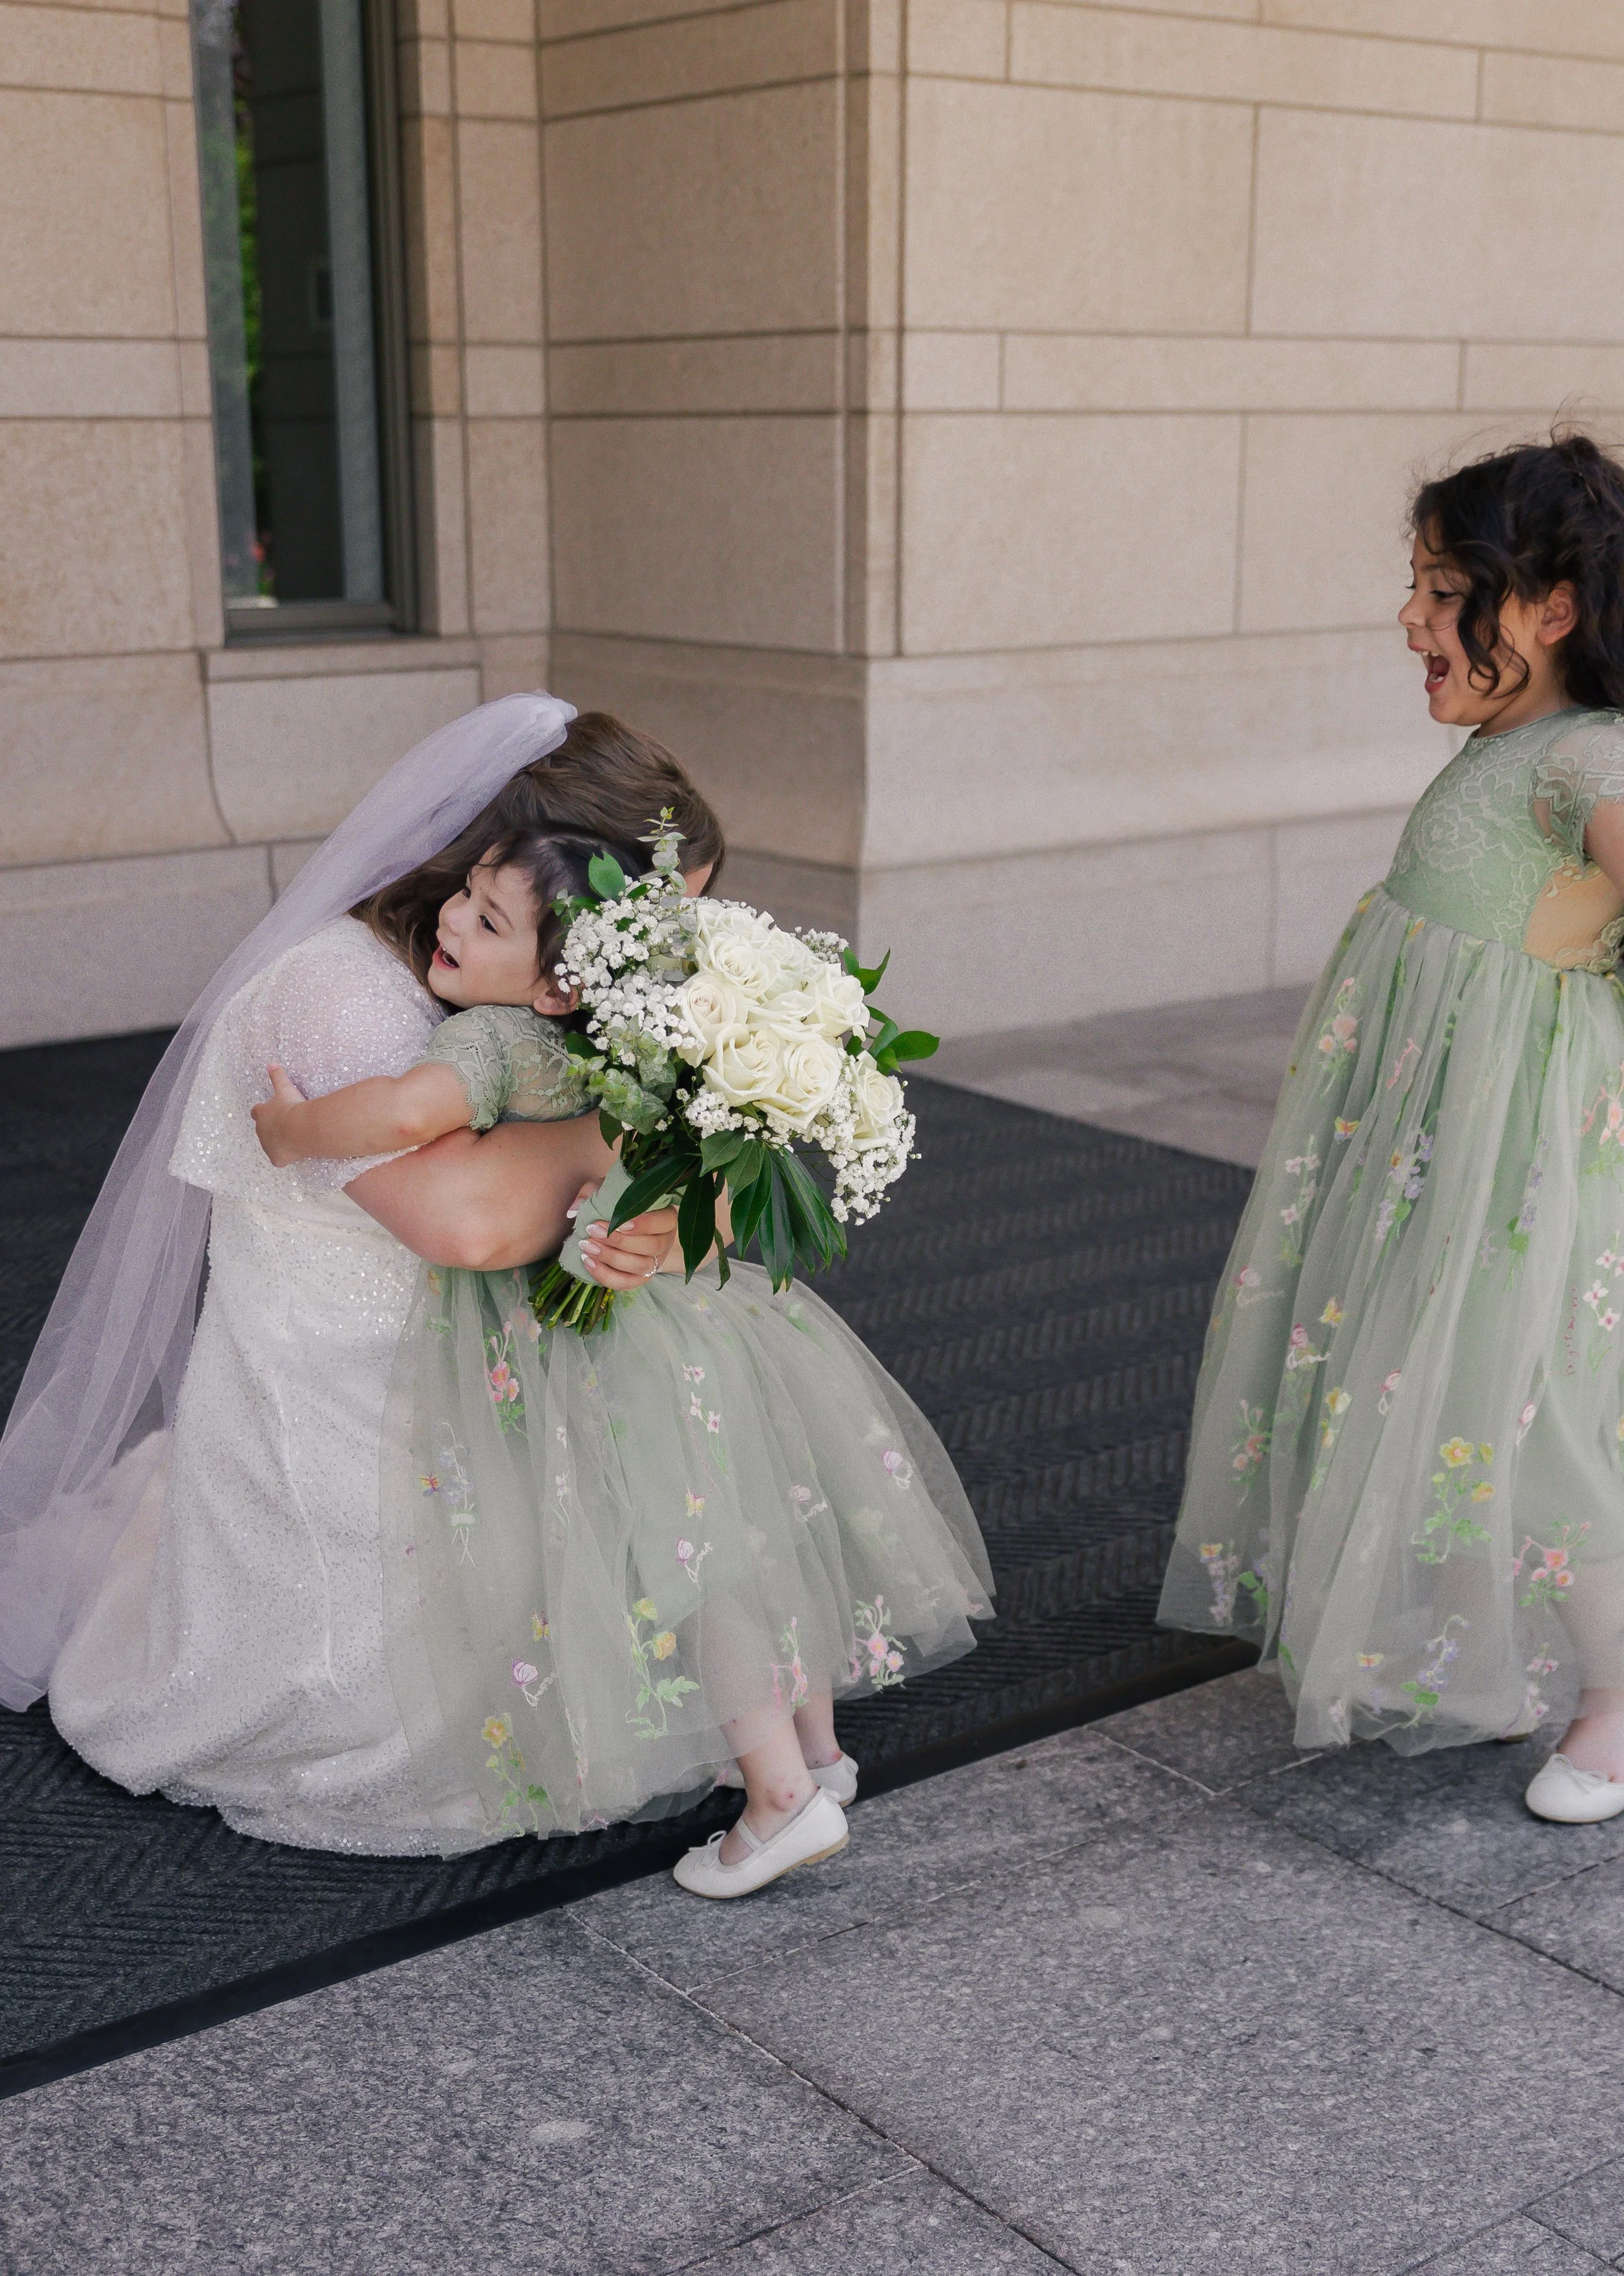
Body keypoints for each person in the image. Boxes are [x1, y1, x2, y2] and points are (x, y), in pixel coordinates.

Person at [2, 698, 717, 1854]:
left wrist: (654, 1216)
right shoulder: (334, 992)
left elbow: (687, 1199)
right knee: (409, 1709)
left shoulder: (535, 993)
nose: (676, 963)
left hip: (474, 1390)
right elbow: (468, 1220)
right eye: (661, 924)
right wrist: (636, 1150)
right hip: (338, 1413)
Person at [251, 816, 994, 1895]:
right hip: (696, 1318)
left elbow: (411, 1108)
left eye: (488, 916)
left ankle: (778, 1797)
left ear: (558, 983)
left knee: (686, 1559)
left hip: (593, 1346)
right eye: (464, 893)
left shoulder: (494, 1039)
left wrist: (293, 1130)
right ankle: (822, 1756)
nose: (452, 917)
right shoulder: (624, 1041)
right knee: (753, 1525)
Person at [1160, 432, 1624, 1826]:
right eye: (1415, 585)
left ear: (1547, 608)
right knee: (1432, 1382)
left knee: (1524, 1401)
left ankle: (1617, 1692)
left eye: (1441, 588)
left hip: (1515, 1150)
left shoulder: (1586, 756)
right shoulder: (1510, 741)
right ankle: (1471, 1645)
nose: (1411, 618)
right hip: (1431, 1138)